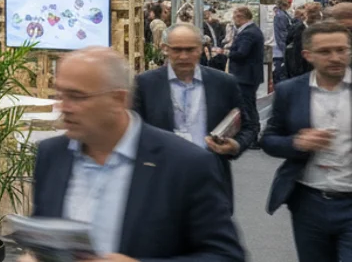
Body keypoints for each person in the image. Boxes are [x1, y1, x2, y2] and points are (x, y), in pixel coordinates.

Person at [22, 46, 244, 262]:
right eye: (60, 94)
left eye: (76, 96)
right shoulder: (51, 155)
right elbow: (45, 239)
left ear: (118, 100)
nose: (63, 107)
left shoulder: (186, 164)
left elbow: (226, 256)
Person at [261, 20, 352, 262]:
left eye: (341, 50)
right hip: (308, 202)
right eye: (325, 51)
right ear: (307, 55)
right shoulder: (290, 91)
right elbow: (268, 140)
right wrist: (297, 144)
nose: (335, 57)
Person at [132, 23, 255, 198]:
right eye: (177, 50)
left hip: (210, 178)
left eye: (190, 50)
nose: (184, 56)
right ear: (164, 49)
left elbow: (249, 127)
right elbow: (133, 131)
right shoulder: (145, 84)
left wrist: (235, 146)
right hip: (160, 180)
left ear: (201, 49)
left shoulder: (223, 83)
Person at [227, 6, 265, 147]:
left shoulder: (248, 33)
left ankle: (252, 137)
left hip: (245, 76)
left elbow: (241, 53)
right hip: (249, 76)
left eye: (235, 16)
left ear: (240, 17)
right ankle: (252, 135)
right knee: (249, 105)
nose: (233, 19)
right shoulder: (253, 30)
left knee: (248, 107)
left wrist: (226, 52)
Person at [274, 0, 295, 83]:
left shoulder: (284, 14)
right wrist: (286, 49)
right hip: (281, 48)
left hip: (283, 46)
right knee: (281, 72)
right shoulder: (280, 16)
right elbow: (282, 34)